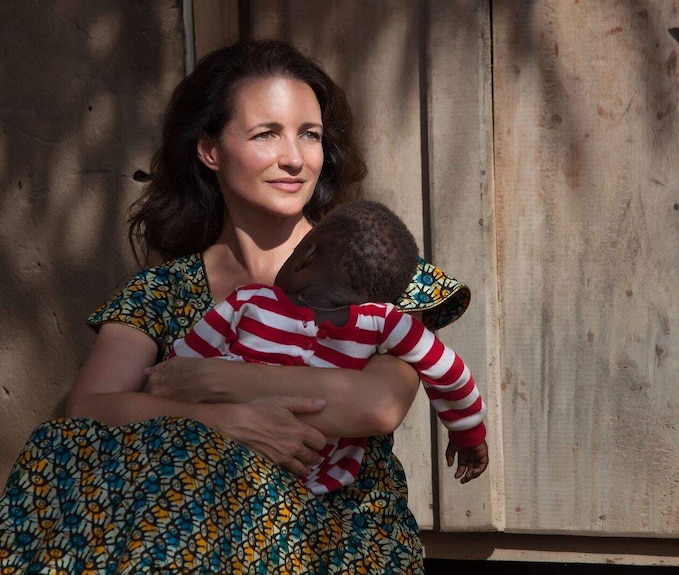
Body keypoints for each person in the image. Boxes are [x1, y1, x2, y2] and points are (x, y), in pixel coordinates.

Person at [0, 40, 471, 574]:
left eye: (309, 135)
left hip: (335, 538)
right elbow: (89, 410)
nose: (294, 157)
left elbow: (373, 404)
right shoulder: (165, 290)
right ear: (210, 150)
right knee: (65, 449)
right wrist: (223, 422)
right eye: (266, 134)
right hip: (190, 530)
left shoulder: (373, 267)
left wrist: (215, 380)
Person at [170, 199, 489, 495]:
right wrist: (467, 432)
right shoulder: (385, 322)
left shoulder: (248, 301)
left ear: (305, 256)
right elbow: (450, 371)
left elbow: (179, 369)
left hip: (222, 459)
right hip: (316, 478)